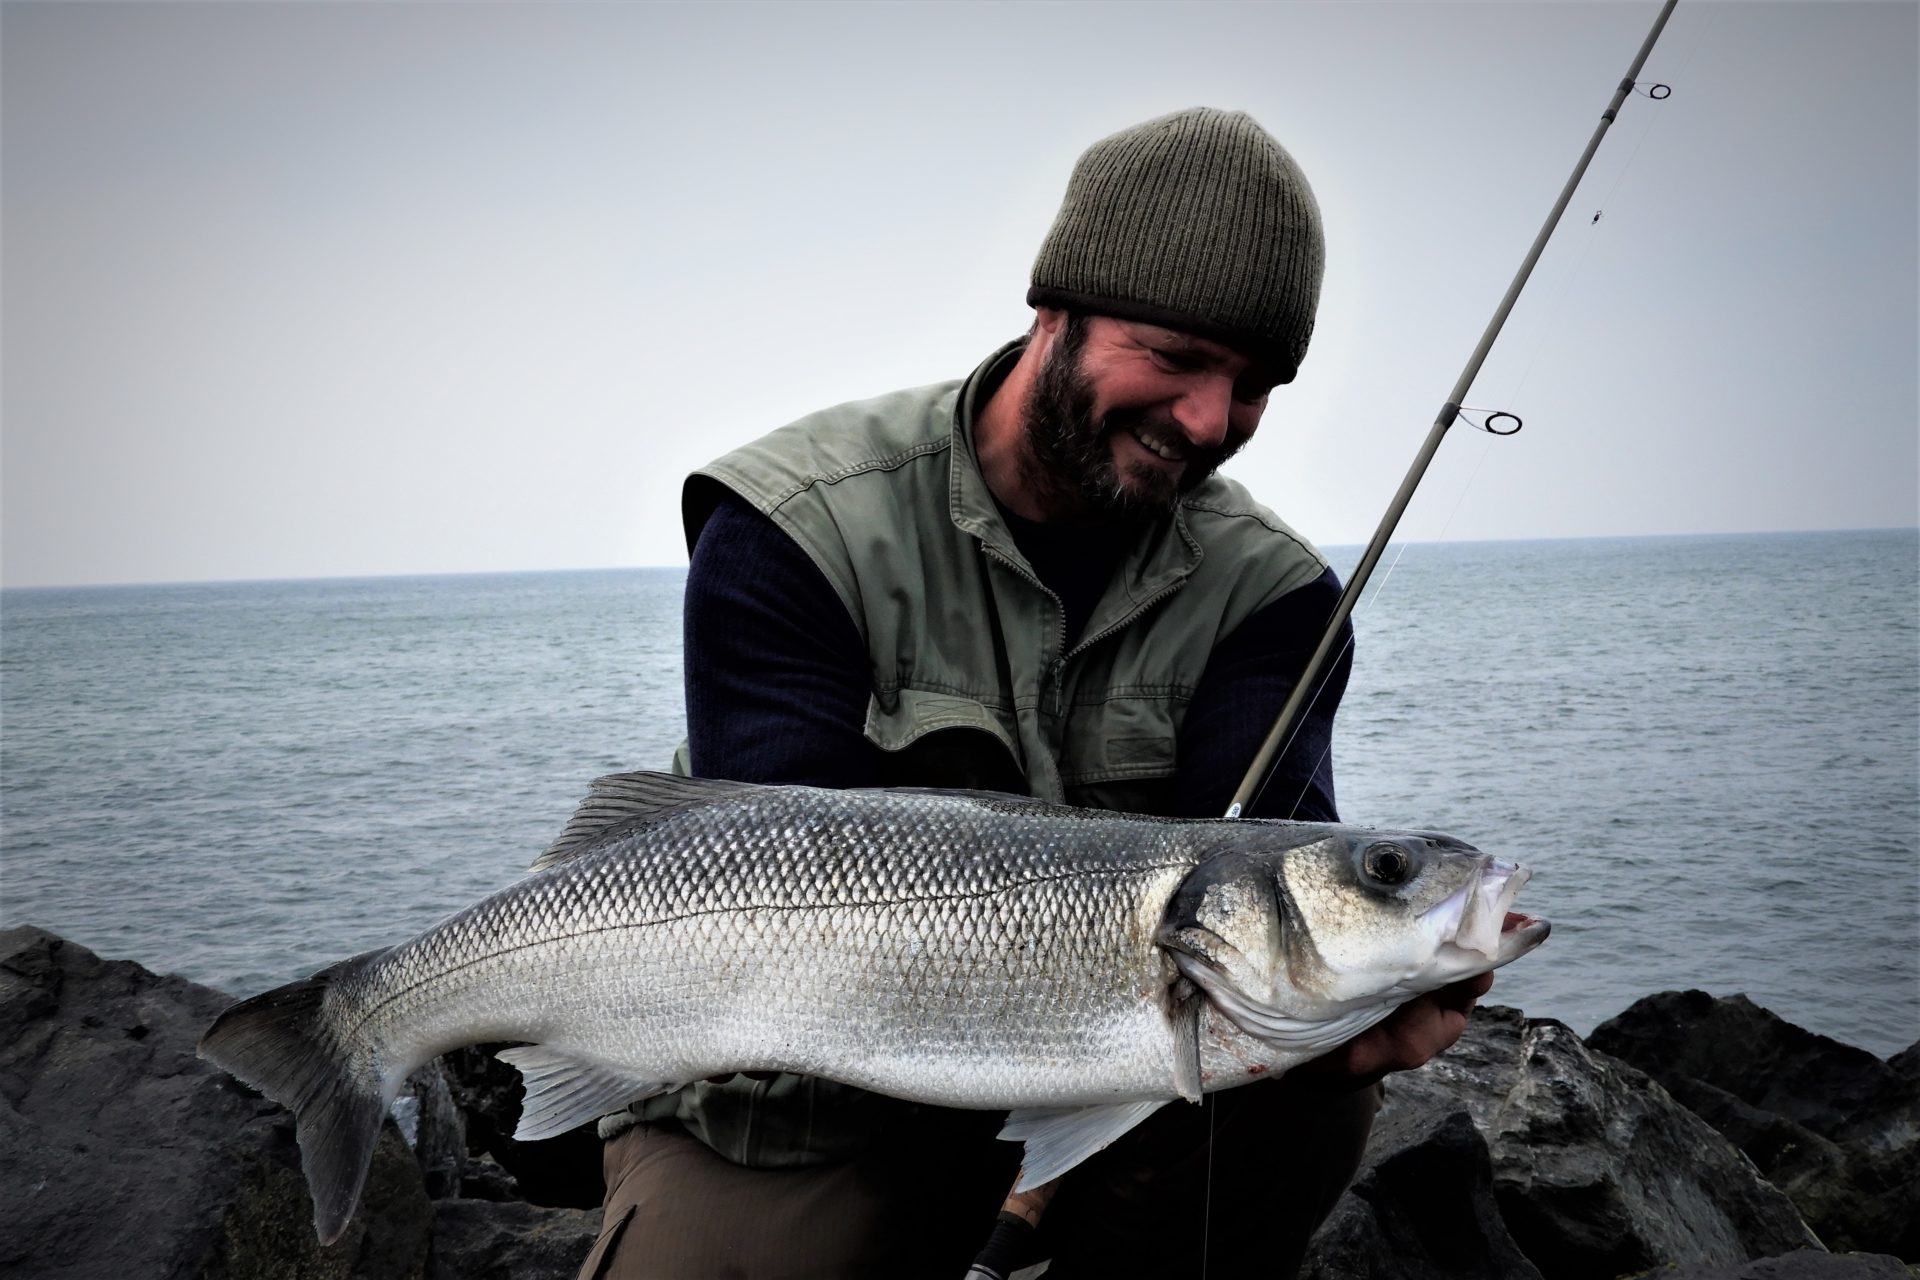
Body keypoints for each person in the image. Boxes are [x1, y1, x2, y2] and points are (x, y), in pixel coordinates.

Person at [576, 106, 1493, 1280]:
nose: (1211, 421)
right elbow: (771, 879)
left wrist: (1347, 1016)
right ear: (1053, 311)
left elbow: (1253, 901)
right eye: (1174, 356)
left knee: (1304, 1098)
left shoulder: (1273, 599)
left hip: (1119, 1094)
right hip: (796, 1106)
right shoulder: (794, 523)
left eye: (1255, 383)